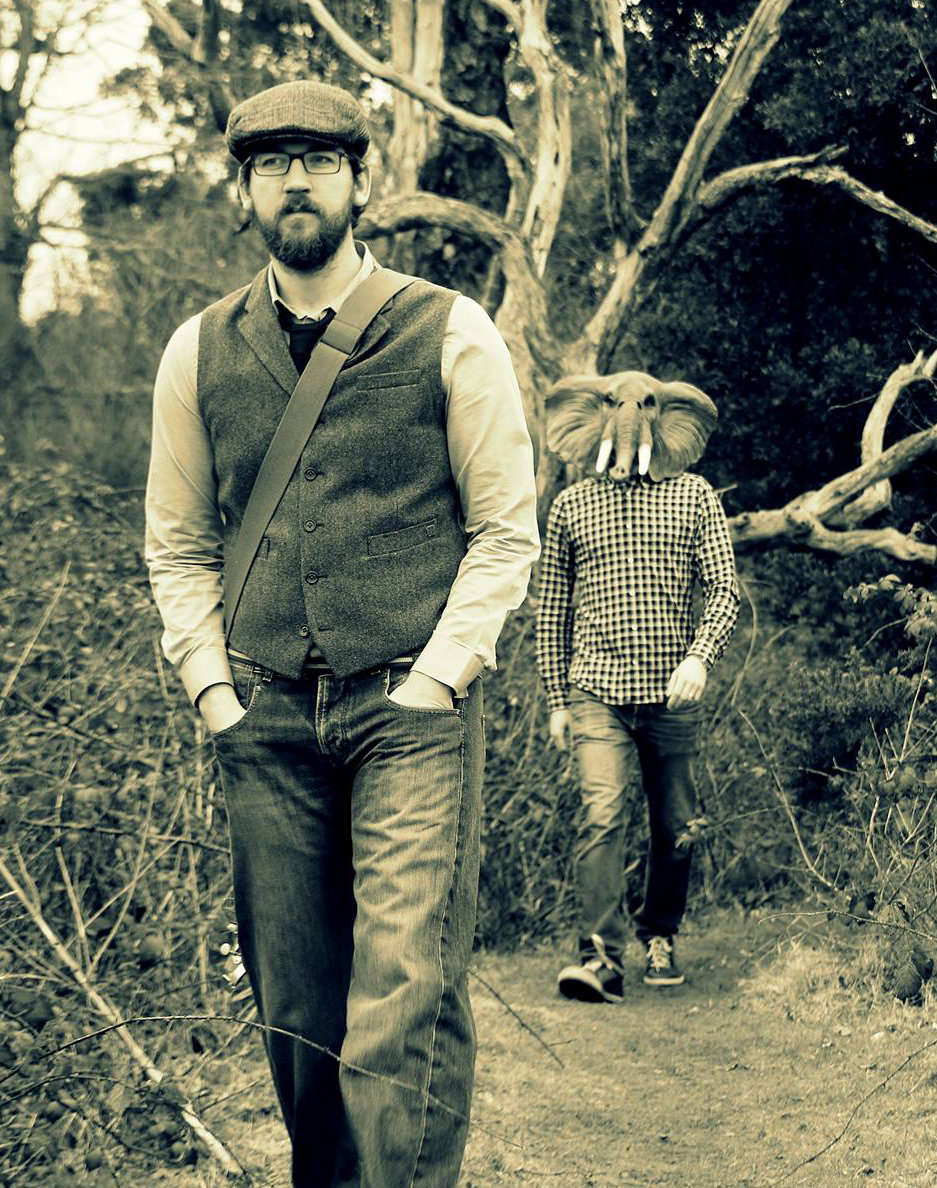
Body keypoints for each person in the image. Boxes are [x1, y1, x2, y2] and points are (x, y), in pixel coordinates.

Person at [145, 79, 540, 1187]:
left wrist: (440, 679)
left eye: (320, 160)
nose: (297, 181)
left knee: (403, 993)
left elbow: (504, 530)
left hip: (407, 711)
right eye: (272, 163)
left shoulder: (449, 328)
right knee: (298, 1015)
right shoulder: (196, 350)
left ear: (362, 181)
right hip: (263, 717)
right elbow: (177, 543)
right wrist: (214, 692)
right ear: (244, 190)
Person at [535, 371, 739, 1003]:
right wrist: (556, 699)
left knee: (676, 825)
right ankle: (600, 957)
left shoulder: (695, 496)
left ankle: (660, 934)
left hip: (672, 698)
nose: (629, 412)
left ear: (666, 418)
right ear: (591, 416)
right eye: (615, 403)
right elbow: (551, 608)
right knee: (601, 815)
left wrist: (700, 658)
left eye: (645, 404)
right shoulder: (571, 505)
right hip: (596, 693)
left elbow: (724, 589)